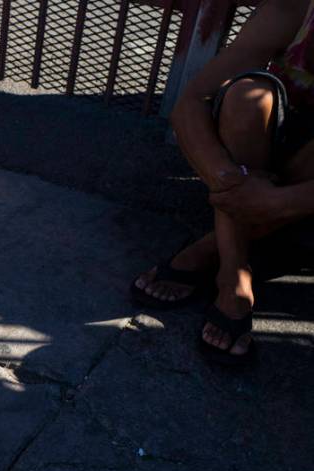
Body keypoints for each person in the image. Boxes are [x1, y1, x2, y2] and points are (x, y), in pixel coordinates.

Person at [131, 0, 314, 364]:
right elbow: (191, 104)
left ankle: (211, 246)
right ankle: (232, 275)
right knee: (246, 98)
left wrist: (278, 202)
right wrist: (228, 180)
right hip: (268, 158)